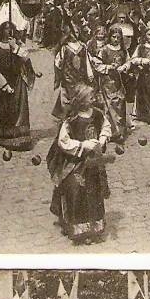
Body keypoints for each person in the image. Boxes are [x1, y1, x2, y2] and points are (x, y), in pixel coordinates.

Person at [47, 84, 112, 245]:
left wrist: (102, 139)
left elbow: (106, 127)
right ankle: (79, 230)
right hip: (75, 164)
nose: (94, 99)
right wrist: (83, 146)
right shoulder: (72, 120)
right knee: (76, 192)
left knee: (94, 192)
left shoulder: (97, 114)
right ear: (82, 100)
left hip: (93, 164)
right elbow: (63, 141)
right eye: (91, 97)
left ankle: (94, 228)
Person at [0, 22, 37, 151]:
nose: (9, 31)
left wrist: (15, 47)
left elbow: (26, 58)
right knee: (4, 108)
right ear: (2, 31)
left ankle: (21, 136)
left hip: (18, 82)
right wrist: (4, 85)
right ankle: (4, 136)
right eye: (6, 29)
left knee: (20, 109)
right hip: (3, 84)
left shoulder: (19, 45)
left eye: (11, 29)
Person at [90, 25, 129, 142]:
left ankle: (120, 132)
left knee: (120, 104)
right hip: (107, 82)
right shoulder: (104, 50)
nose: (116, 39)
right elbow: (96, 64)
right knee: (109, 106)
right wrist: (108, 67)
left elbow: (129, 61)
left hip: (118, 82)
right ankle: (110, 132)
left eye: (118, 37)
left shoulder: (123, 50)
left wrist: (124, 67)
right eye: (113, 37)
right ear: (109, 37)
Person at [51, 24, 94, 120]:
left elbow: (87, 62)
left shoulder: (83, 47)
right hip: (68, 80)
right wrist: (58, 77)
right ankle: (66, 121)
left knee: (80, 100)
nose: (75, 35)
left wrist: (90, 74)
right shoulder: (65, 48)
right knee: (67, 101)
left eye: (77, 32)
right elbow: (58, 63)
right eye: (73, 33)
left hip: (80, 79)